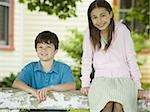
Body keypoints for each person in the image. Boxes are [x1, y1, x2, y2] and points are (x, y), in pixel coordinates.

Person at [80, 0, 150, 112]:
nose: (99, 21)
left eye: (103, 15)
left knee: (120, 106)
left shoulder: (122, 30)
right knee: (105, 105)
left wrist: (138, 86)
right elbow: (86, 60)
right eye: (95, 17)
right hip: (101, 80)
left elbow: (131, 58)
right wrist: (85, 84)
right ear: (90, 19)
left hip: (124, 79)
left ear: (111, 14)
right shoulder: (89, 33)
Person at [12, 31, 76, 111]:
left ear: (55, 50)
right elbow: (16, 83)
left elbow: (71, 85)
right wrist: (33, 91)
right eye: (40, 47)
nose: (44, 50)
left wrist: (50, 88)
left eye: (48, 47)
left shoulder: (64, 68)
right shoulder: (30, 67)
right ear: (36, 49)